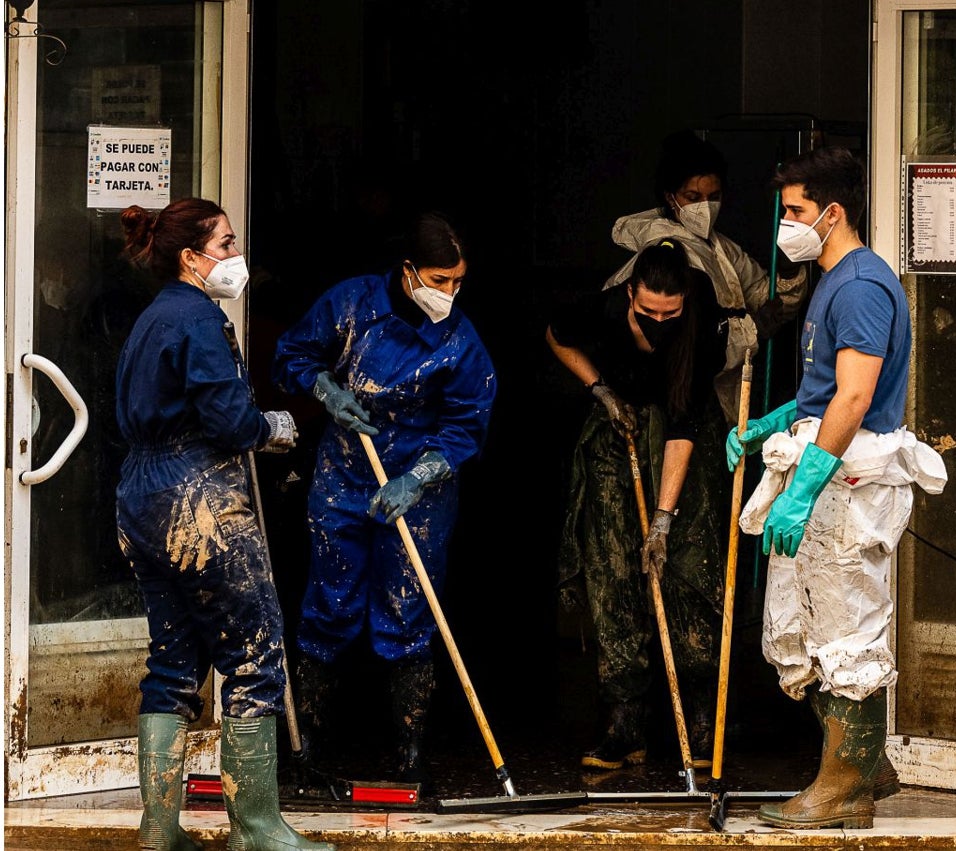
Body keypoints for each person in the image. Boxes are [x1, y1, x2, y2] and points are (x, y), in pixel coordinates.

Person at [726, 147, 946, 830]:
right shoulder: (835, 280)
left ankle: (846, 784)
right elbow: (824, 395)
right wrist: (772, 422)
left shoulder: (857, 287)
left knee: (846, 628)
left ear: (832, 212)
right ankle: (866, 760)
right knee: (804, 628)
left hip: (851, 488)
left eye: (794, 211)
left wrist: (803, 484)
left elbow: (854, 398)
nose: (785, 224)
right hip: (832, 476)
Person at [114, 198, 332, 851]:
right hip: (197, 496)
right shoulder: (200, 320)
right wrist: (276, 424)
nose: (237, 256)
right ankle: (258, 826)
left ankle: (159, 828)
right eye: (227, 242)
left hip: (140, 495)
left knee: (173, 661)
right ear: (191, 255)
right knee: (254, 653)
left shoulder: (150, 319)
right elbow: (231, 423)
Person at [272, 211, 496, 789]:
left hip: (418, 489)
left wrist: (417, 479)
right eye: (439, 279)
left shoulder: (460, 342)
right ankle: (307, 750)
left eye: (458, 281)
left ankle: (410, 756)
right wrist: (326, 390)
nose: (449, 292)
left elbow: (466, 427)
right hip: (343, 473)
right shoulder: (351, 305)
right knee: (329, 604)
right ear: (408, 272)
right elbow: (293, 354)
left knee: (409, 611)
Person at [551, 238, 728, 771]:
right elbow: (557, 337)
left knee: (687, 569)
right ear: (631, 293)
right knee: (614, 569)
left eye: (668, 314)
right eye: (648, 311)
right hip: (617, 431)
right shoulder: (603, 308)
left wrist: (664, 521)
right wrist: (601, 392)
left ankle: (700, 720)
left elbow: (682, 424)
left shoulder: (700, 329)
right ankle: (625, 723)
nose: (658, 321)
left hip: (682, 448)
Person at [605, 129, 808, 427]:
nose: (705, 206)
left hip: (723, 399)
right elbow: (682, 338)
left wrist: (788, 272)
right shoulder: (661, 254)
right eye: (693, 197)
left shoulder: (722, 248)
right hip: (672, 401)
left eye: (713, 197)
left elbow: (766, 297)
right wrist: (753, 329)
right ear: (670, 197)